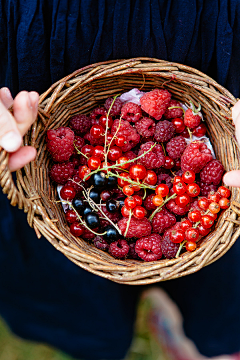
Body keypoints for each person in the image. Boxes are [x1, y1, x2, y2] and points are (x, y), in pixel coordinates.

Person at [1, 1, 240, 359]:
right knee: (83, 306)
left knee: (223, 295)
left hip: (212, 27)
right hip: (39, 37)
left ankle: (209, 341)